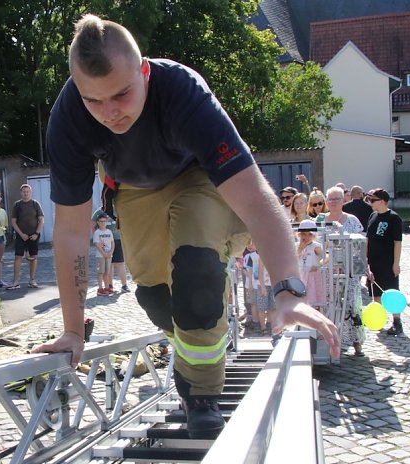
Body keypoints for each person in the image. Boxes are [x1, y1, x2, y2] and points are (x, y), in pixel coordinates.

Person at [36, 14, 339, 439]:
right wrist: (72, 330)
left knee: (195, 272)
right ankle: (200, 333)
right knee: (158, 298)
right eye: (94, 101)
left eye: (122, 94)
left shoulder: (182, 91)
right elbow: (69, 231)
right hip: (135, 188)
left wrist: (287, 290)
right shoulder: (68, 117)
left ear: (143, 72)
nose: (110, 113)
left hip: (202, 179)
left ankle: (201, 394)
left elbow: (254, 197)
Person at [324, 186, 365, 356]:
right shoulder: (320, 220)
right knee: (329, 305)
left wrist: (364, 267)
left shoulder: (352, 220)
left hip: (349, 271)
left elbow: (360, 246)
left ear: (344, 201)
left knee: (352, 305)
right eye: (330, 199)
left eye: (337, 199)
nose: (333, 202)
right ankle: (330, 342)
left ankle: (357, 342)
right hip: (327, 272)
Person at [364, 188, 404, 336]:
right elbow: (368, 239)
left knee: (392, 291)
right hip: (374, 262)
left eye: (373, 200)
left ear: (382, 201)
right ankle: (378, 320)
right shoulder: (373, 216)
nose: (370, 203)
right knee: (376, 292)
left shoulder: (394, 218)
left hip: (388, 261)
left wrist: (396, 263)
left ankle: (397, 322)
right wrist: (365, 260)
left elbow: (397, 242)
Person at [7, 183, 45, 289]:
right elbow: (13, 222)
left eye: (27, 191)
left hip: (34, 235)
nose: (26, 193)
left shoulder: (35, 204)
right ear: (21, 193)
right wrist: (21, 234)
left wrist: (36, 233)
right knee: (18, 257)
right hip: (21, 235)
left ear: (30, 192)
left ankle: (32, 280)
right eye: (24, 192)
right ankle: (15, 281)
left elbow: (41, 220)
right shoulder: (17, 205)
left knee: (33, 257)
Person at [296, 220, 325, 309]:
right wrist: (300, 248)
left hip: (313, 276)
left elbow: (326, 257)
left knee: (313, 298)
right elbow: (293, 259)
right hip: (300, 275)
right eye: (304, 234)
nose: (306, 237)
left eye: (310, 234)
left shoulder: (316, 246)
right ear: (299, 234)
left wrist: (319, 265)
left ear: (314, 235)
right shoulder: (296, 245)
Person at [92, 210, 115, 295]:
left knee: (107, 272)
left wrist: (111, 252)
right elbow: (97, 244)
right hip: (100, 256)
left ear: (107, 221)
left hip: (109, 255)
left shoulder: (109, 232)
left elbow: (112, 242)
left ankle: (107, 287)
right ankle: (100, 289)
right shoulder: (97, 233)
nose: (102, 223)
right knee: (100, 272)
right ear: (98, 222)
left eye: (104, 221)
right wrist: (103, 253)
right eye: (101, 221)